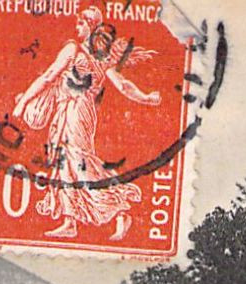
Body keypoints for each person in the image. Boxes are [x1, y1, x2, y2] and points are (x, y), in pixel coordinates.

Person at [13, 5, 161, 242]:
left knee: (77, 161)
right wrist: (146, 98)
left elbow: (49, 75)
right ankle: (70, 220)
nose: (77, 27)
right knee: (64, 163)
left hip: (74, 111)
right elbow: (123, 86)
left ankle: (119, 209)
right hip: (77, 111)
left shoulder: (73, 49)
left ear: (90, 26)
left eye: (80, 23)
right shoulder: (102, 59)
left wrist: (22, 104)